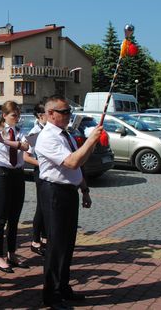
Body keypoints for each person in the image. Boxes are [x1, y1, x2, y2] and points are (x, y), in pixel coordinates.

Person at [35, 95, 101, 308]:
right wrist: (90, 140)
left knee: (68, 243)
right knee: (56, 245)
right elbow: (71, 162)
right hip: (54, 192)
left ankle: (63, 287)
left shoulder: (66, 134)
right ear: (51, 114)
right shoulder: (47, 137)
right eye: (64, 112)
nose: (68, 115)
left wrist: (84, 189)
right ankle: (51, 295)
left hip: (68, 191)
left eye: (69, 111)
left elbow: (79, 162)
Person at [0, 100, 29, 273]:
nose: (17, 118)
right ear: (4, 115)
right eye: (13, 115)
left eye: (18, 115)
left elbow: (25, 146)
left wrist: (6, 141)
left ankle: (12, 253)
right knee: (2, 218)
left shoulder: (19, 131)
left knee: (15, 218)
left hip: (18, 176)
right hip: (2, 175)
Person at [22, 103, 48, 255]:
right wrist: (43, 164)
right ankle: (35, 240)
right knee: (41, 207)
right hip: (40, 171)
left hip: (48, 171)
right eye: (47, 113)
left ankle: (45, 237)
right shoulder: (35, 132)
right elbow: (27, 157)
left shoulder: (47, 129)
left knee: (46, 206)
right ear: (40, 116)